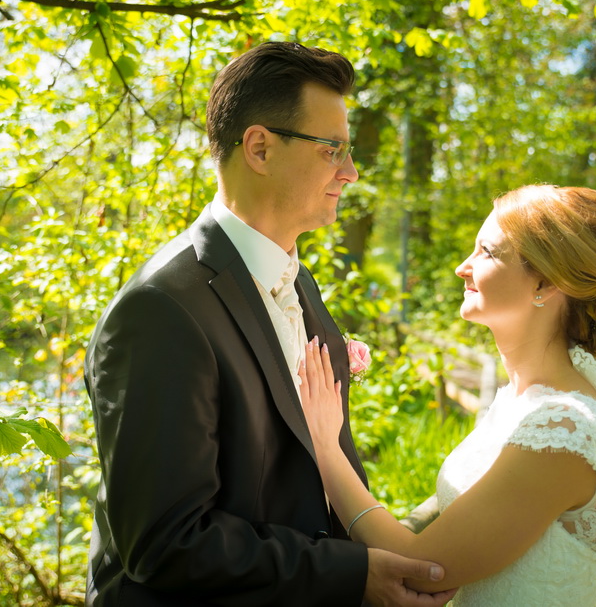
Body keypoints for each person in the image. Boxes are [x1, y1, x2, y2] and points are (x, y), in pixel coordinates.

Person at [83, 42, 455, 606]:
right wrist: (349, 575)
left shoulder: (299, 283)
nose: (351, 173)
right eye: (333, 150)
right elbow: (165, 543)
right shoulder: (160, 310)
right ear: (259, 148)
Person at [300, 184, 596, 606]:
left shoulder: (566, 431)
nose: (463, 267)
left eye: (488, 252)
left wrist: (325, 446)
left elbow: (419, 566)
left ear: (547, 283)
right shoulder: (525, 400)